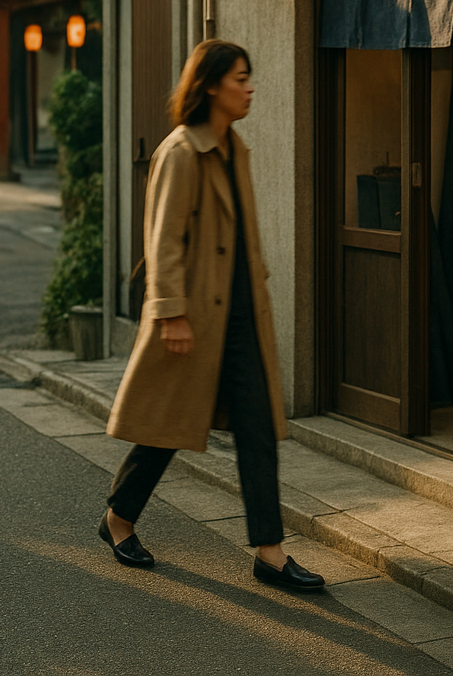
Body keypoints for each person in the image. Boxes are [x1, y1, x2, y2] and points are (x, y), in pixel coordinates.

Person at [100, 40, 324, 590]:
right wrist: (171, 313)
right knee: (165, 428)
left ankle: (270, 554)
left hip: (243, 316)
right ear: (211, 86)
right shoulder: (182, 151)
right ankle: (118, 519)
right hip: (195, 318)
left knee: (257, 431)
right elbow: (165, 241)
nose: (249, 88)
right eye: (240, 78)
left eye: (250, 78)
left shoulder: (234, 147)